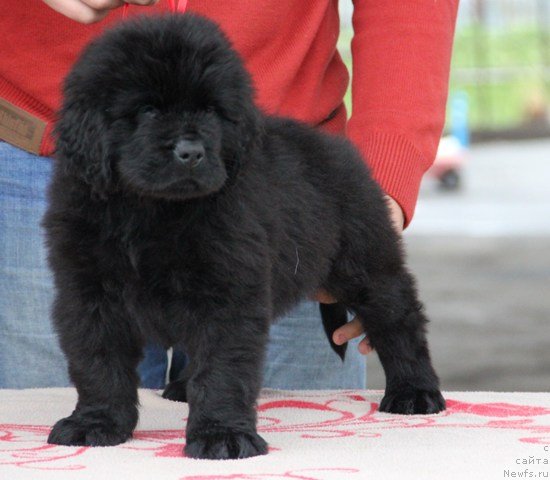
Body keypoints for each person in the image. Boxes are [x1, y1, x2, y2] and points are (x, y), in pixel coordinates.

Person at [0, 0, 458, 389]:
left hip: (270, 164)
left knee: (282, 453)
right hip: (54, 152)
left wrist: (380, 176)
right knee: (69, 450)